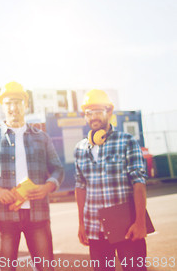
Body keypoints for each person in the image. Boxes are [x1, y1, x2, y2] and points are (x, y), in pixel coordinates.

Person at [0, 81, 64, 271]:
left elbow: (58, 169)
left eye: (18, 102)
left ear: (26, 104)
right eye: (8, 103)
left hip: (38, 215)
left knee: (46, 268)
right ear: (2, 106)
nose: (13, 108)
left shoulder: (42, 137)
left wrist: (47, 187)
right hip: (5, 217)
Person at [75, 89, 148, 271]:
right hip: (95, 228)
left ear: (109, 112)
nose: (93, 117)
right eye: (88, 113)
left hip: (127, 227)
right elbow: (80, 186)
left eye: (98, 111)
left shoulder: (127, 141)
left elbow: (138, 183)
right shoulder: (80, 148)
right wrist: (82, 225)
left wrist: (140, 223)